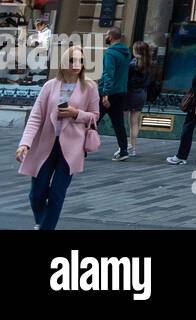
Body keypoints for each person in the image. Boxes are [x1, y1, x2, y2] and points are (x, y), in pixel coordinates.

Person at [16, 44, 101, 230]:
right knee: (36, 193)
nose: (75, 64)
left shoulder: (90, 87)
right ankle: (42, 221)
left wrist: (75, 113)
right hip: (45, 144)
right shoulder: (50, 86)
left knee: (57, 193)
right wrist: (25, 144)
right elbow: (36, 117)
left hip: (71, 148)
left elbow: (95, 116)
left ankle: (46, 227)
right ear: (63, 62)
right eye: (71, 60)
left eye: (80, 60)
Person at [99, 26, 132, 161]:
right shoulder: (126, 53)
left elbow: (108, 74)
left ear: (111, 37)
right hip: (121, 91)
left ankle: (81, 147)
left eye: (106, 35)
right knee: (118, 122)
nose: (105, 36)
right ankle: (123, 150)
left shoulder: (110, 53)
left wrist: (105, 93)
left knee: (92, 119)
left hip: (109, 92)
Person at [125, 41, 152, 157]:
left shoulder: (132, 64)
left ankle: (126, 145)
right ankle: (133, 147)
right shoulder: (149, 64)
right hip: (141, 94)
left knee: (125, 121)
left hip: (130, 93)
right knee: (134, 122)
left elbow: (126, 79)